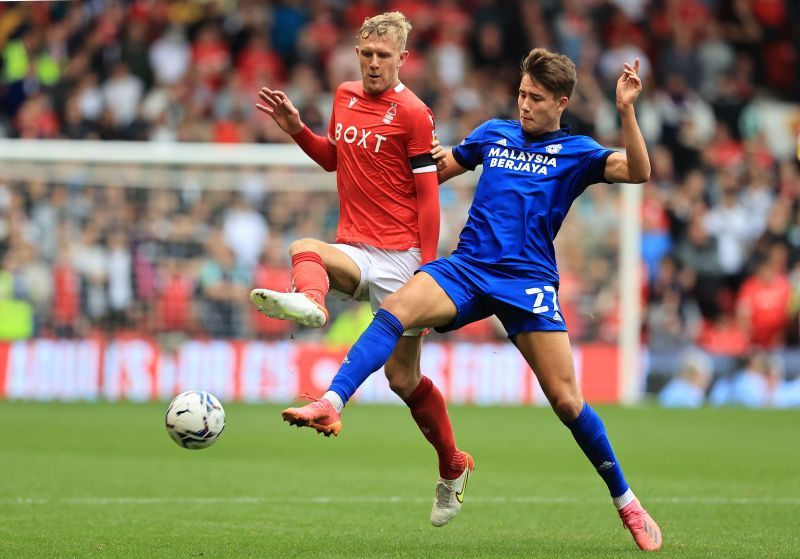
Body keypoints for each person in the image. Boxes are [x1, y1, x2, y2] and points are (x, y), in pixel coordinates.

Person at [285, 48, 663, 550]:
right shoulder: (493, 134)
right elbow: (431, 171)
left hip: (527, 284)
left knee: (569, 403)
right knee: (395, 310)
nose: (524, 105)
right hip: (466, 268)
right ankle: (332, 402)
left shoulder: (579, 152)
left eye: (536, 98)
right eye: (522, 94)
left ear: (562, 103)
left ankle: (628, 503)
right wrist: (381, 147)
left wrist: (626, 112)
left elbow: (638, 171)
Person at [249, 12, 472, 527]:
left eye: (384, 56)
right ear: (357, 53)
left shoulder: (415, 113)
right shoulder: (344, 95)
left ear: (402, 59)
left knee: (402, 378)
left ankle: (453, 465)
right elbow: (334, 160)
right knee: (304, 246)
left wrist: (429, 269)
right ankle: (311, 303)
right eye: (367, 55)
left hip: (404, 259)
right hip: (357, 248)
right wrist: (297, 130)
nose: (374, 64)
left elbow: (427, 195)